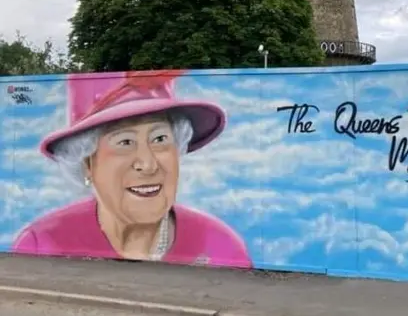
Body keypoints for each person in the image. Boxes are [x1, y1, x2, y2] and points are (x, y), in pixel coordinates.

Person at [11, 69, 252, 268]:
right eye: (125, 142)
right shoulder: (42, 243)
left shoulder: (220, 245)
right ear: (87, 164)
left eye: (159, 139)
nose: (147, 164)